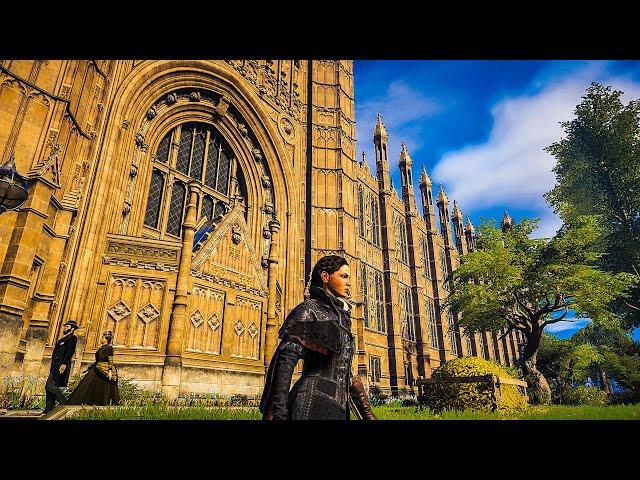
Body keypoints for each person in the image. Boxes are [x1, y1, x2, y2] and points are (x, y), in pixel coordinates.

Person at [259, 255, 377, 420]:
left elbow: (343, 372)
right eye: (343, 276)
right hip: (311, 405)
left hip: (339, 409)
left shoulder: (342, 317)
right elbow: (284, 366)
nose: (349, 282)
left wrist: (366, 412)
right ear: (325, 277)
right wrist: (279, 414)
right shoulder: (309, 310)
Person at [66, 331, 120, 406]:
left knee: (102, 385)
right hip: (97, 366)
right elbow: (97, 360)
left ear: (106, 340)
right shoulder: (101, 348)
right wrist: (89, 368)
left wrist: (110, 371)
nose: (101, 339)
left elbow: (110, 359)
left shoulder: (109, 348)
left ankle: (103, 403)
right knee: (87, 383)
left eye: (102, 338)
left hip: (104, 368)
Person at [43, 320, 79, 414]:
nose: (65, 328)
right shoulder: (62, 339)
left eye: (67, 326)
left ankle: (64, 402)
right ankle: (48, 410)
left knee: (49, 385)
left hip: (61, 365)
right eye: (65, 326)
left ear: (72, 328)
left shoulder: (72, 338)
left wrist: (64, 364)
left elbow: (70, 352)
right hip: (55, 365)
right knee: (49, 387)